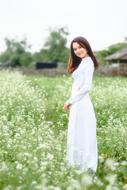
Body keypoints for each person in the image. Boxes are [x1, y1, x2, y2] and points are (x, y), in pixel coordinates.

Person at [64, 36, 98, 173]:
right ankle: (77, 164)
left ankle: (86, 166)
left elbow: (86, 87)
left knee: (84, 133)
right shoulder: (83, 62)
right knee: (78, 132)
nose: (78, 51)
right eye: (75, 49)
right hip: (78, 103)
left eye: (80, 47)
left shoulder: (88, 62)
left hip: (81, 103)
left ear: (86, 46)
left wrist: (70, 101)